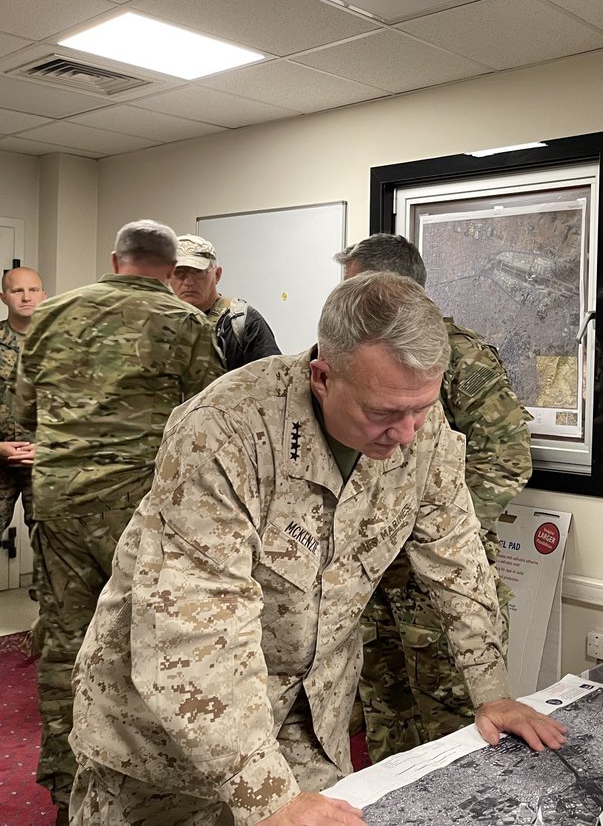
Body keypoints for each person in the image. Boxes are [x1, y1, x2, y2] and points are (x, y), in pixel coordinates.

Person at [68, 271, 565, 826]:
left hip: (304, 721)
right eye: (382, 414)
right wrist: (266, 796)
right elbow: (193, 629)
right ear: (323, 377)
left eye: (420, 409)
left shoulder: (417, 424)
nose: (406, 433)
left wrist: (491, 691)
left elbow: (458, 560)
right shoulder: (225, 432)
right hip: (170, 740)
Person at [15, 221, 224, 820]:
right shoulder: (186, 324)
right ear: (171, 268)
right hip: (135, 509)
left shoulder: (52, 315)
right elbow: (204, 419)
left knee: (65, 641)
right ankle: (141, 792)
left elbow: (25, 409)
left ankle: (63, 786)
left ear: (115, 259)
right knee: (147, 646)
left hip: (57, 501)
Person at [335, 234, 533, 760]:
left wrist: (424, 520)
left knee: (457, 731)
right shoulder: (352, 365)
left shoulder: (461, 357)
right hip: (374, 581)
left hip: (441, 583)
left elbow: (507, 461)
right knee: (385, 723)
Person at [170, 233, 281, 369]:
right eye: (179, 273)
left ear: (217, 275)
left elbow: (274, 380)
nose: (188, 282)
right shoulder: (159, 320)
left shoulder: (242, 322)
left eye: (198, 272)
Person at [0, 266, 46, 538]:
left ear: (43, 296)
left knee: (52, 548)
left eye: (33, 290)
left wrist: (49, 447)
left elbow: (78, 407)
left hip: (42, 461)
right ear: (4, 297)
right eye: (17, 290)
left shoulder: (62, 344)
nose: (26, 297)